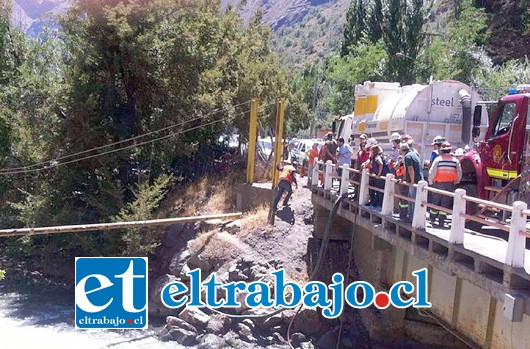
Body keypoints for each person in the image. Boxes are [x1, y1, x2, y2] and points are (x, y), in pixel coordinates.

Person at [428, 142, 462, 227]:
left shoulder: (438, 159)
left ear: (442, 151)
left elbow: (432, 172)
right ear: (450, 150)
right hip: (449, 184)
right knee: (445, 203)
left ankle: (432, 219)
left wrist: (430, 182)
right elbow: (459, 173)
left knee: (435, 202)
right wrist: (456, 181)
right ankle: (441, 221)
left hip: (438, 184)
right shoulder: (455, 161)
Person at [400, 142, 423, 222]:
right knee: (412, 198)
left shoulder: (407, 157)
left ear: (402, 150)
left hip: (415, 181)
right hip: (419, 179)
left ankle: (412, 217)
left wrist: (412, 181)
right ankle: (411, 216)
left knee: (413, 199)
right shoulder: (413, 154)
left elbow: (410, 168)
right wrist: (404, 178)